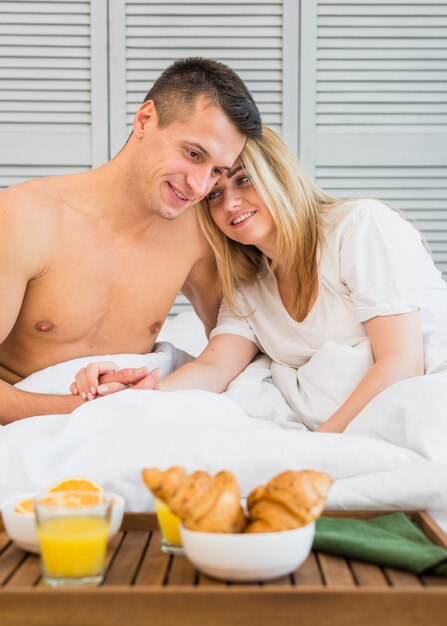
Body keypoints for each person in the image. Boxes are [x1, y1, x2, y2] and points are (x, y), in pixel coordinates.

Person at [71, 126, 447, 433]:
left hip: (411, 408)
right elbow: (213, 368)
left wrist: (321, 444)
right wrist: (136, 392)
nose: (229, 203)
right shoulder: (249, 284)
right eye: (214, 195)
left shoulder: (359, 227)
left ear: (278, 175)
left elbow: (402, 363)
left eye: (244, 180)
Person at [0, 57, 262, 424]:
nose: (201, 186)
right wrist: (92, 413)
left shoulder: (196, 237)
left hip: (135, 423)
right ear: (144, 120)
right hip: (29, 425)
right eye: (193, 154)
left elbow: (237, 344)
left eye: (216, 170)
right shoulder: (25, 217)